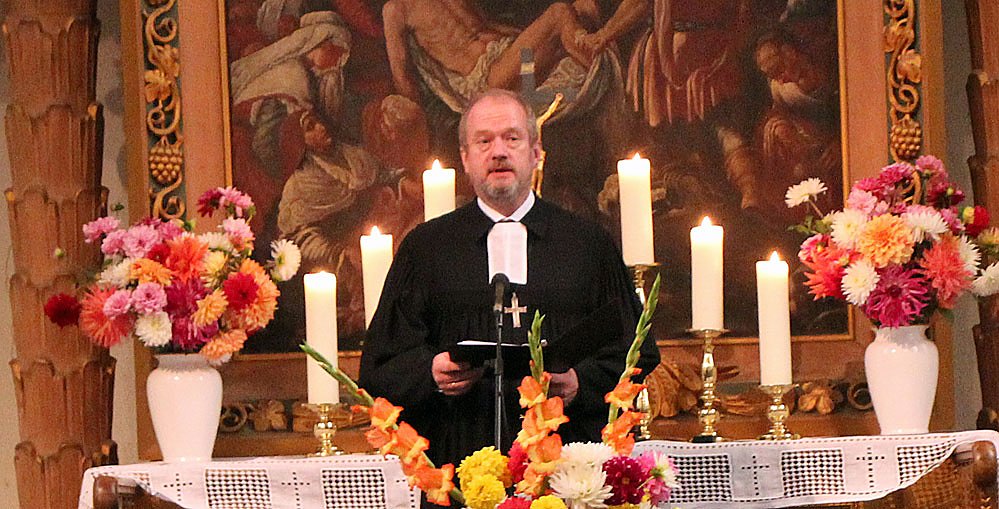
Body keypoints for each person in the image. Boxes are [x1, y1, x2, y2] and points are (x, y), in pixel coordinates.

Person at [359, 89, 660, 469]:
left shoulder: (587, 243)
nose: (498, 152)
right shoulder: (426, 248)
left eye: (512, 138)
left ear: (536, 152)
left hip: (568, 466)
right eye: (484, 141)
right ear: (466, 158)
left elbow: (636, 350)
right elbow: (381, 364)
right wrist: (430, 373)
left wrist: (580, 383)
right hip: (459, 464)